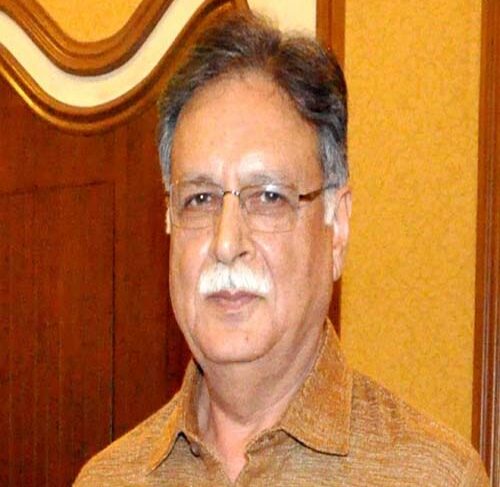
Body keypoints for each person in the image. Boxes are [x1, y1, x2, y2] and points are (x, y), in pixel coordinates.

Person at [74, 12, 489, 486]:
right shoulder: (108, 479)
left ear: (337, 226)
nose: (226, 243)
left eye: (269, 197)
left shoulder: (433, 476)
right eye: (200, 199)